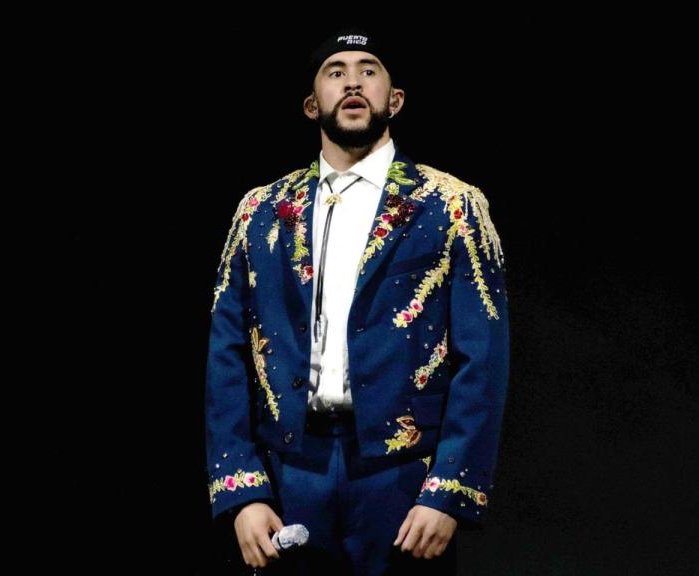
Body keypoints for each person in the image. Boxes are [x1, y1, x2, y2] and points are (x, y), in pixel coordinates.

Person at [204, 27, 510, 575]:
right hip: (290, 471)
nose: (352, 82)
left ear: (394, 100)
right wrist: (242, 491)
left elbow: (482, 357)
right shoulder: (261, 210)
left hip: (402, 477)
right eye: (335, 72)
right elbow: (226, 351)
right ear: (310, 103)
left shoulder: (452, 204)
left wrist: (447, 490)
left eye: (368, 70)